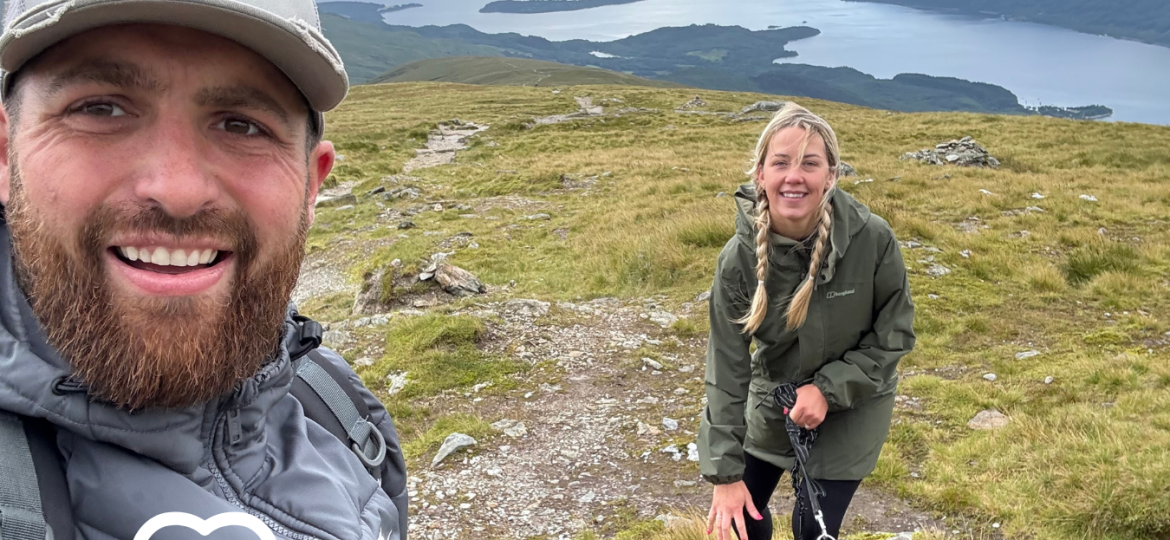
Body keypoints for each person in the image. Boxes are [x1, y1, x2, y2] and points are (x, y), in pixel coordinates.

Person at [0, 0, 406, 538]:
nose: (178, 191)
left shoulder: (337, 407)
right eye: (101, 109)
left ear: (311, 184)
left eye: (243, 125)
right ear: (5, 154)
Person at [698, 103, 916, 540]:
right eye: (781, 163)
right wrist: (724, 475)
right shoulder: (737, 261)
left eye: (810, 164)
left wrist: (827, 389)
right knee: (739, 525)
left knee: (811, 529)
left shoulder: (873, 239)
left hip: (855, 401)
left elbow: (894, 335)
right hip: (775, 397)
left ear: (831, 176)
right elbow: (726, 369)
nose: (793, 176)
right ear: (761, 173)